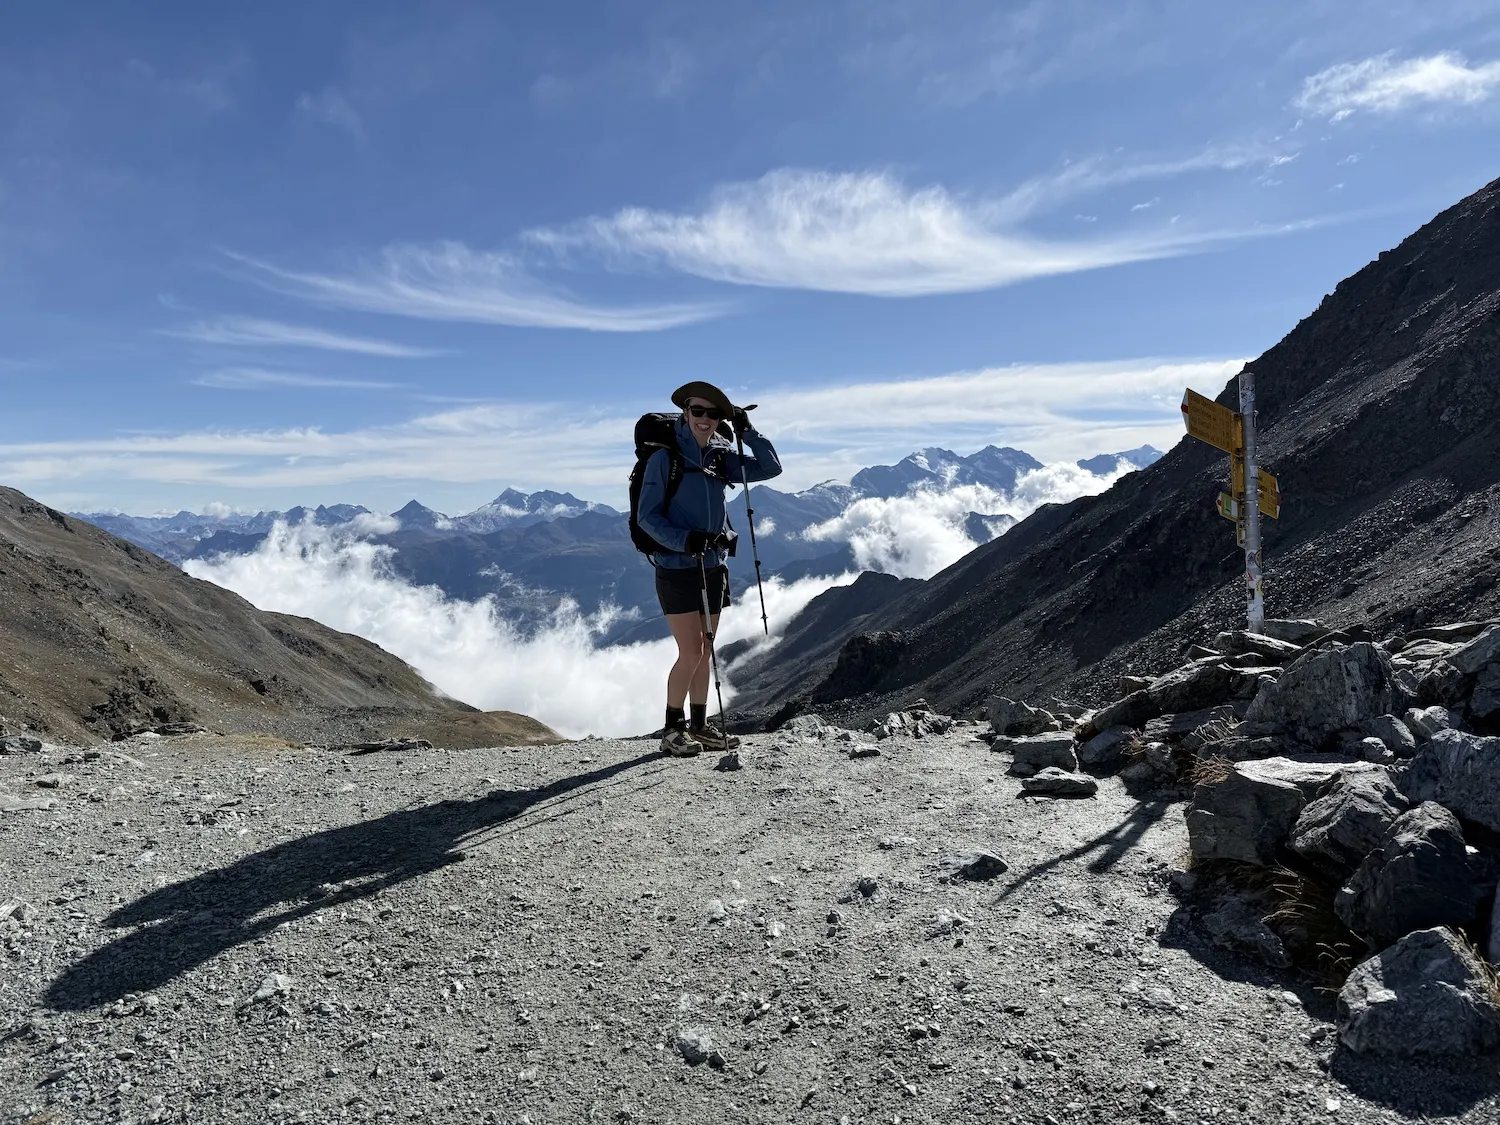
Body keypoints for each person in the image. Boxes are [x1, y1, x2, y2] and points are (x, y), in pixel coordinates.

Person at [636, 381, 782, 757]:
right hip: (677, 566)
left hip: (714, 564)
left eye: (713, 413)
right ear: (685, 412)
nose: (704, 419)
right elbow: (647, 517)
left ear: (721, 418)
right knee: (691, 651)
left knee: (707, 647)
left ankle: (699, 726)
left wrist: (747, 431)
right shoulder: (664, 459)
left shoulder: (720, 457)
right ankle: (673, 729)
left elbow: (771, 467)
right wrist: (685, 541)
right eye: (697, 411)